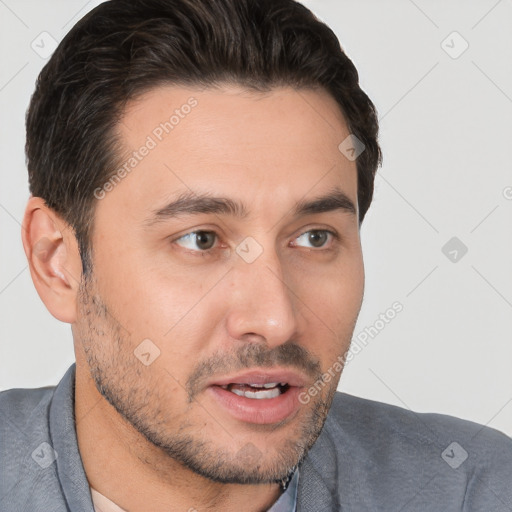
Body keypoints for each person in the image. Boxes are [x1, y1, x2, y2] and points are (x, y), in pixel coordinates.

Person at [1, 0, 511, 510]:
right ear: (58, 263)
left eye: (314, 237)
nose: (276, 320)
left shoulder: (478, 492)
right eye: (201, 239)